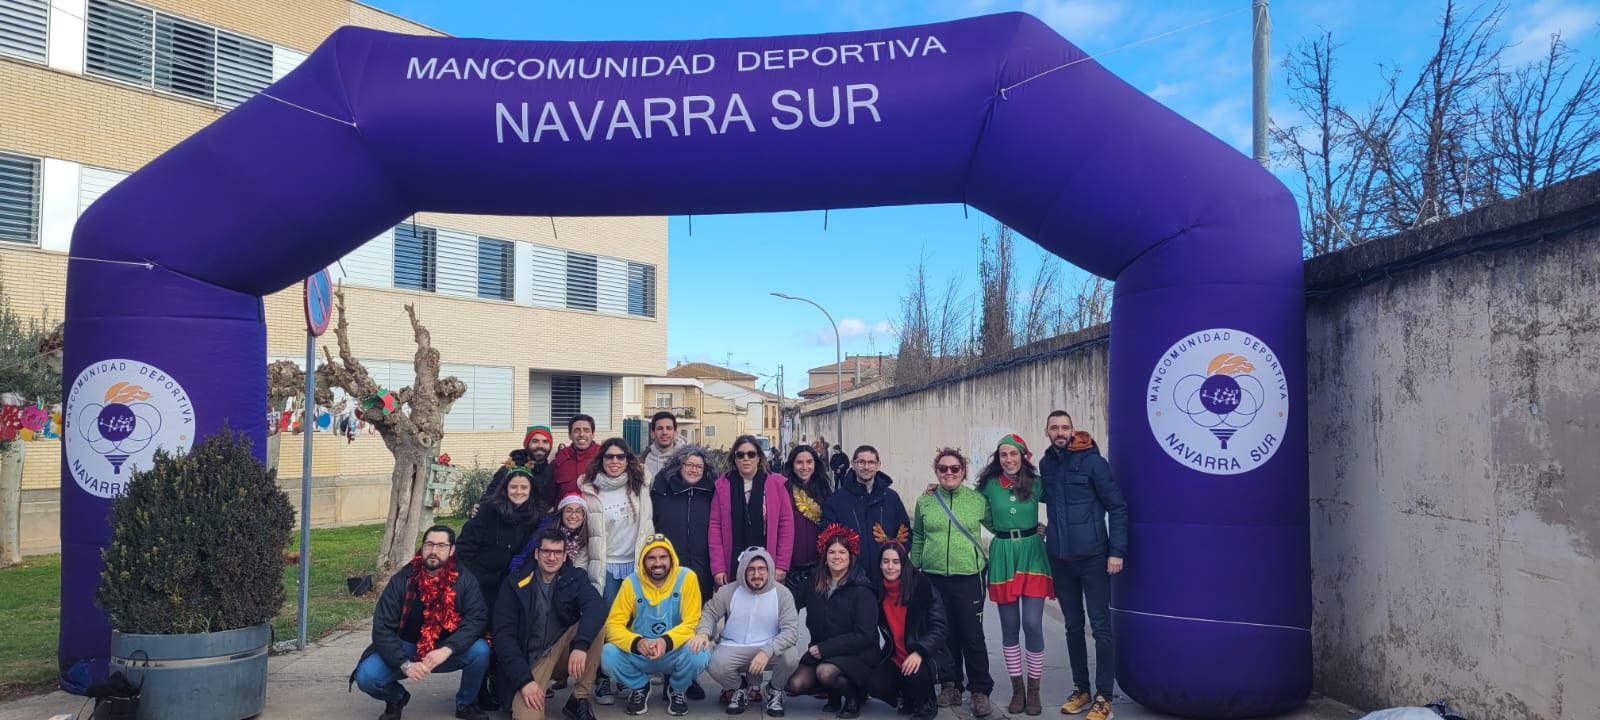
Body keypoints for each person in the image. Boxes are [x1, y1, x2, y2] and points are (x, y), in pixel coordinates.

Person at [351, 525, 491, 720]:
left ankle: (466, 703)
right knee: (366, 676)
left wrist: (447, 649)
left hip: (446, 650)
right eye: (429, 544)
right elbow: (382, 628)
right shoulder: (402, 580)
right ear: (422, 547)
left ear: (451, 551)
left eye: (441, 545)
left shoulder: (465, 580)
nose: (434, 551)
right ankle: (396, 698)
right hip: (407, 647)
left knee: (481, 650)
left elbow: (477, 619)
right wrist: (404, 664)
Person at [1039, 412, 1127, 720]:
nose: (1060, 432)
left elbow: (1117, 506)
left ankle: (1104, 697)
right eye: (1054, 428)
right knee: (1072, 627)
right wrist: (1046, 530)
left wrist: (1116, 551)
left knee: (1101, 628)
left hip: (1094, 559)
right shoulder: (1046, 464)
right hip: (1061, 560)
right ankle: (1082, 689)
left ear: (1072, 430)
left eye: (1065, 427)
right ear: (1047, 432)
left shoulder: (1092, 462)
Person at [458, 463, 554, 709]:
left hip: (509, 586)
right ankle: (474, 692)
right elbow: (465, 546)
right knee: (479, 636)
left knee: (503, 635)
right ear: (505, 489)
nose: (519, 491)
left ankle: (497, 684)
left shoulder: (534, 516)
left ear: (531, 490)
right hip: (480, 585)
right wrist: (468, 580)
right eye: (514, 487)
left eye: (524, 487)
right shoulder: (489, 511)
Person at [910, 448, 994, 716]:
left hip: (969, 575)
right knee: (943, 634)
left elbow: (998, 525)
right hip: (933, 576)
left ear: (963, 472)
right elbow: (919, 536)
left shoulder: (977, 500)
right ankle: (950, 684)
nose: (948, 473)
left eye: (954, 468)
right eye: (943, 469)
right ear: (936, 471)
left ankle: (980, 690)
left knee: (971, 634)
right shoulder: (926, 501)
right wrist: (913, 567)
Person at [976, 434, 1054, 716]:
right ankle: (1017, 690)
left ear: (1023, 457)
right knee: (1009, 627)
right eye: (1003, 455)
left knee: (1032, 623)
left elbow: (1063, 500)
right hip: (1003, 553)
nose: (1008, 460)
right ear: (998, 459)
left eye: (1014, 454)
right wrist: (934, 489)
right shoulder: (988, 486)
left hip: (1032, 552)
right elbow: (973, 509)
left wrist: (1047, 527)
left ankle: (1034, 690)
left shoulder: (1035, 483)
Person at [492, 527, 606, 720]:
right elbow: (503, 637)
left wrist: (580, 645)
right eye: (546, 551)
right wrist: (524, 681)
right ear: (537, 553)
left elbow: (596, 606)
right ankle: (533, 688)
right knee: (528, 717)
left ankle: (579, 699)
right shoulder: (515, 583)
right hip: (528, 662)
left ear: (564, 556)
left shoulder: (575, 577)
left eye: (557, 552)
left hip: (559, 651)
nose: (552, 557)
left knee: (596, 626)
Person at [578, 437, 654, 705]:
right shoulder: (589, 489)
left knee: (632, 624)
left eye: (620, 457)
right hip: (605, 567)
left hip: (636, 566)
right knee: (606, 625)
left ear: (628, 459)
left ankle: (624, 675)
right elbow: (584, 535)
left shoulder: (641, 483)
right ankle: (602, 679)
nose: (614, 462)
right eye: (609, 457)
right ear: (601, 460)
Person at [601, 535, 712, 717]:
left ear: (672, 558)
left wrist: (666, 641)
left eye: (663, 557)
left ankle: (677, 689)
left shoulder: (687, 578)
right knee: (608, 654)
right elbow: (613, 625)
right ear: (643, 560)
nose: (657, 563)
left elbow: (692, 622)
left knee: (700, 652)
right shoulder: (631, 582)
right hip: (642, 652)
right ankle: (640, 687)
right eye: (651, 558)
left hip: (674, 650)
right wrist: (636, 642)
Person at [687, 547, 800, 717]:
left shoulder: (782, 594)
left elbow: (791, 631)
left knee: (790, 656)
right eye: (751, 569)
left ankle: (775, 690)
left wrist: (767, 650)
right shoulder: (728, 591)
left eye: (762, 569)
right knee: (713, 663)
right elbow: (709, 612)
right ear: (743, 570)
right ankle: (740, 687)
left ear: (769, 569)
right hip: (734, 646)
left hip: (769, 647)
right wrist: (703, 632)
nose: (757, 574)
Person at [785, 525, 879, 719]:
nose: (837, 556)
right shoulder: (814, 583)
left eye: (842, 552)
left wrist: (825, 649)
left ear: (851, 556)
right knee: (795, 684)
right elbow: (788, 602)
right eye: (832, 552)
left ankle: (854, 695)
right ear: (825, 557)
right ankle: (834, 694)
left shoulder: (862, 590)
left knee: (825, 672)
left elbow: (865, 635)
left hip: (858, 655)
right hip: (822, 651)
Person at [649, 442, 716, 702]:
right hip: (669, 565)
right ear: (679, 465)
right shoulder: (662, 488)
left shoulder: (710, 490)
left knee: (695, 622)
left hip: (701, 565)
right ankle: (669, 676)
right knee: (670, 621)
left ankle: (687, 678)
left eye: (698, 466)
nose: (692, 469)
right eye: (688, 464)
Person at [868, 543, 948, 720]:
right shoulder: (877, 590)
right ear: (879, 564)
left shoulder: (922, 587)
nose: (890, 567)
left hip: (925, 654)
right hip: (896, 655)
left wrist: (920, 651)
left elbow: (939, 627)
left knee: (915, 672)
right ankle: (909, 697)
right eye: (886, 561)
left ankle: (927, 703)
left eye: (896, 562)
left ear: (904, 564)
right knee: (874, 682)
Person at [711, 435, 795, 588]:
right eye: (740, 454)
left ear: (758, 457)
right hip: (733, 566)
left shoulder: (776, 485)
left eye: (751, 454)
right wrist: (718, 567)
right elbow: (715, 528)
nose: (746, 459)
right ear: (734, 458)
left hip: (767, 566)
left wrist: (782, 565)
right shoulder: (723, 487)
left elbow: (786, 526)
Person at [820, 445, 911, 565]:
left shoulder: (891, 498)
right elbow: (828, 538)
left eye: (871, 462)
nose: (866, 467)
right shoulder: (836, 501)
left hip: (885, 573)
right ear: (853, 464)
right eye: (861, 462)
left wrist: (893, 561)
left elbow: (905, 533)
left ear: (878, 465)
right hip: (851, 574)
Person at [781, 444, 832, 596]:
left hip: (819, 565)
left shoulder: (825, 490)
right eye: (799, 463)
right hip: (790, 565)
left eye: (809, 462)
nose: (805, 467)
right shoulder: (783, 489)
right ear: (792, 465)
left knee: (818, 617)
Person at [478, 426, 557, 515]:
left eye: (545, 442)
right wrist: (481, 509)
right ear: (527, 444)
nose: (540, 445)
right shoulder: (509, 469)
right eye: (535, 441)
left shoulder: (553, 471)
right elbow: (490, 496)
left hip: (540, 525)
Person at [553, 414, 600, 500]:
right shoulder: (561, 459)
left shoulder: (604, 456)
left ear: (593, 434)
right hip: (568, 512)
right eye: (576, 431)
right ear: (570, 435)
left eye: (586, 430)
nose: (581, 434)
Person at [642, 411, 685, 479]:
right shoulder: (641, 461)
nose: (664, 432)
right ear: (652, 434)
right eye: (659, 428)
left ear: (675, 433)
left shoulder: (686, 459)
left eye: (669, 428)